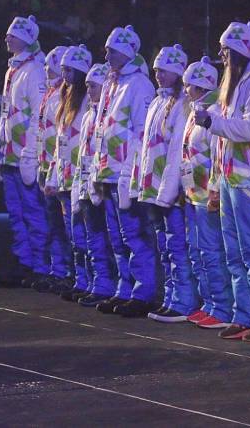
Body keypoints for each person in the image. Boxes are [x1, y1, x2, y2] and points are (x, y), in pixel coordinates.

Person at [194, 20, 250, 342]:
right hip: (232, 180)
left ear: (239, 51)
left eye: (225, 50)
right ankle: (244, 315)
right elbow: (221, 142)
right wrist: (216, 183)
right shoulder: (235, 84)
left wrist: (211, 121)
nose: (221, 55)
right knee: (235, 254)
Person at [91, 25, 157, 318]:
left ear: (126, 52)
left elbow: (143, 134)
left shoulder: (139, 85)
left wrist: (130, 170)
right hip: (107, 170)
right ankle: (125, 288)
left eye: (111, 49)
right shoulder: (110, 82)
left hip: (124, 172)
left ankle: (144, 292)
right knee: (117, 236)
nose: (105, 54)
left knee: (134, 234)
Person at [138, 45, 196, 323]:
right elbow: (147, 148)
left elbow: (176, 151)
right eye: (157, 69)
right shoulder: (158, 102)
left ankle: (184, 300)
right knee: (164, 246)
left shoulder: (183, 105)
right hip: (154, 187)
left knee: (176, 246)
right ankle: (171, 296)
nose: (158, 74)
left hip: (169, 191)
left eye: (164, 70)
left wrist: (168, 190)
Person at [180, 56, 233, 329]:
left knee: (213, 252)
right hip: (193, 193)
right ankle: (209, 303)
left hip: (207, 196)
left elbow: (217, 156)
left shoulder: (213, 112)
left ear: (199, 86)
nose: (185, 89)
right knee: (200, 251)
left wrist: (213, 189)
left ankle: (222, 307)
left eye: (188, 85)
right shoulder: (195, 111)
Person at [0, 15, 49, 285]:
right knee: (16, 212)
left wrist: (30, 153)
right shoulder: (12, 70)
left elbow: (37, 117)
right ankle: (24, 262)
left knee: (33, 211)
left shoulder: (35, 71)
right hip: (9, 155)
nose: (7, 38)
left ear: (27, 39)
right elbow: (8, 113)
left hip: (25, 156)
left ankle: (40, 265)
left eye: (13, 35)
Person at [45, 45, 93, 302]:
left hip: (79, 177)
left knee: (85, 232)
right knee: (71, 232)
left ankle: (91, 280)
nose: (64, 75)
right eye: (62, 69)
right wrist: (53, 176)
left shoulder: (86, 101)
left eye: (69, 70)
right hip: (64, 177)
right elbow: (59, 143)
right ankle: (79, 278)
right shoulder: (64, 99)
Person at [72, 63, 116, 308]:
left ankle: (109, 284)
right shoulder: (89, 114)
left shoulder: (104, 115)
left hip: (101, 182)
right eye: (87, 85)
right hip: (88, 181)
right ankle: (97, 283)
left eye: (93, 86)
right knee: (91, 237)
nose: (88, 90)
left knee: (107, 236)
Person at [35, 45, 72, 293]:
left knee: (64, 223)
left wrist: (56, 169)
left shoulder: (64, 96)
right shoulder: (50, 93)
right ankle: (57, 269)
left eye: (52, 67)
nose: (47, 71)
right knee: (54, 224)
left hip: (59, 168)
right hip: (47, 164)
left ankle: (68, 272)